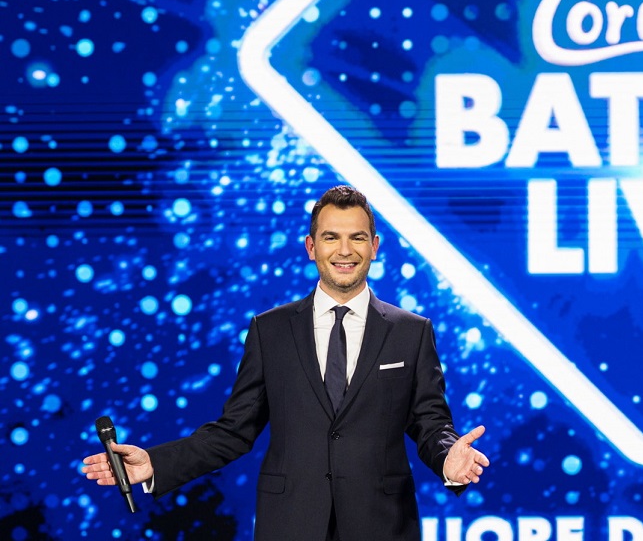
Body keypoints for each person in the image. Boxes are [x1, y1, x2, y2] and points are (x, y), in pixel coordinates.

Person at [82, 185, 490, 540]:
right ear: (311, 247)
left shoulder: (411, 332)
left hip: (382, 525)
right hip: (291, 523)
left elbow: (430, 422)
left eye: (357, 237)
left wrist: (448, 457)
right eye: (331, 237)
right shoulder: (270, 330)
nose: (344, 250)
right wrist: (155, 464)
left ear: (375, 246)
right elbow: (233, 431)